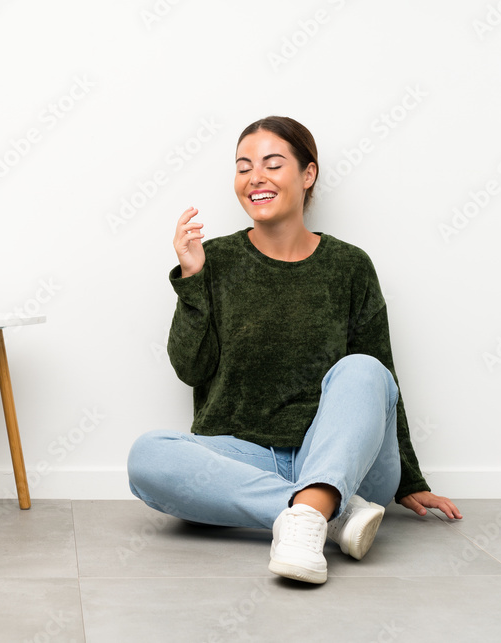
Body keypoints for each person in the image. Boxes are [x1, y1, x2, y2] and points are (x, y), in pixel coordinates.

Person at [126, 116, 462, 585]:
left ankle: (311, 503)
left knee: (362, 368)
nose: (254, 177)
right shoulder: (214, 260)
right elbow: (190, 367)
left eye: (272, 163)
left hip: (345, 459)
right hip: (247, 458)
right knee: (148, 456)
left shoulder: (349, 265)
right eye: (243, 166)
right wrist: (193, 280)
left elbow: (380, 379)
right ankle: (324, 513)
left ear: (308, 175)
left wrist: (410, 480)